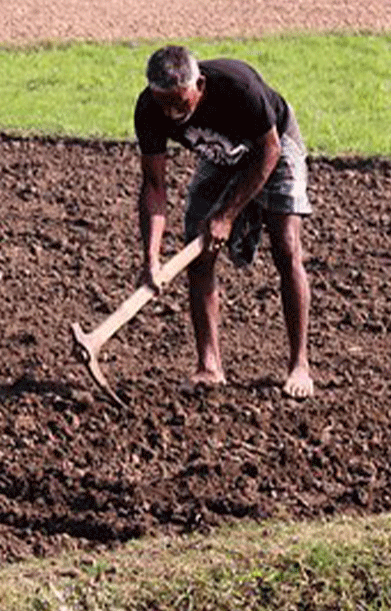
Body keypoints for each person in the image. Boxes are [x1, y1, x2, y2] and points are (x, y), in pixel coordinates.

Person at [133, 45, 314, 398]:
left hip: (272, 145)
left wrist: (227, 216)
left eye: (180, 104)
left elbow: (269, 152)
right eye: (163, 104)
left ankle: (299, 364)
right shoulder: (149, 109)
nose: (172, 115)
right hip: (220, 154)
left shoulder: (238, 85)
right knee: (198, 252)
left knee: (286, 248)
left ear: (199, 84)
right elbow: (153, 187)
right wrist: (151, 257)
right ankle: (209, 366)